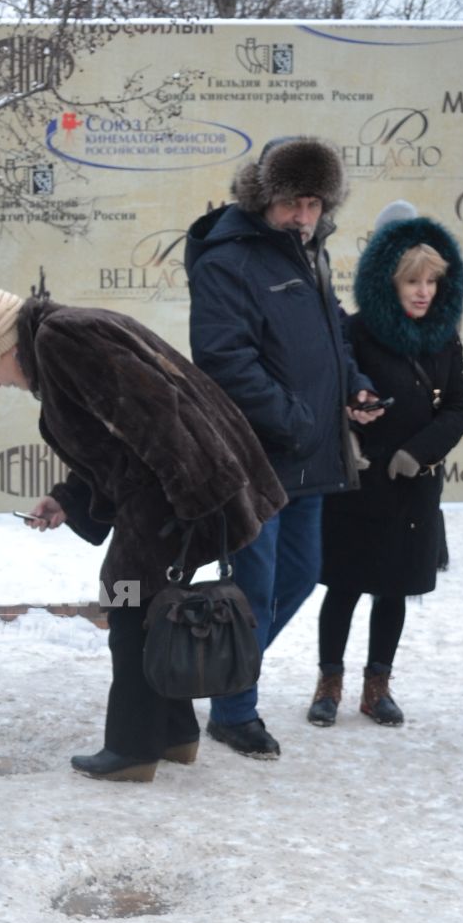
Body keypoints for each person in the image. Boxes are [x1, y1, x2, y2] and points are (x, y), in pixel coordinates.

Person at [0, 288, 284, 783]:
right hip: (172, 488)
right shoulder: (62, 338)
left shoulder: (61, 340)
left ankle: (132, 749)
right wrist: (68, 498)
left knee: (129, 604)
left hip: (175, 490)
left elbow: (153, 412)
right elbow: (112, 441)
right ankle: (174, 734)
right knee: (150, 604)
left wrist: (191, 501)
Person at [187, 135, 385, 760]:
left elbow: (334, 341)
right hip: (259, 454)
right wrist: (297, 418)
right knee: (253, 584)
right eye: (294, 204)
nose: (305, 217)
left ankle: (215, 676)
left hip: (311, 453)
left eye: (315, 204)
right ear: (265, 196)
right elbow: (225, 360)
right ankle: (233, 708)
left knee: (299, 576)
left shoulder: (309, 251)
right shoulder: (228, 258)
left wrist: (353, 386)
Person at [309, 202, 463, 728]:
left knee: (395, 587)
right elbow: (331, 394)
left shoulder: (444, 338)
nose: (423, 290)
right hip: (360, 483)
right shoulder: (357, 333)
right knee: (345, 585)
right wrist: (350, 424)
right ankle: (328, 684)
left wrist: (418, 451)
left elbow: (460, 403)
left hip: (414, 486)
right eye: (412, 281)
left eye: (431, 281)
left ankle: (376, 687)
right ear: (391, 283)